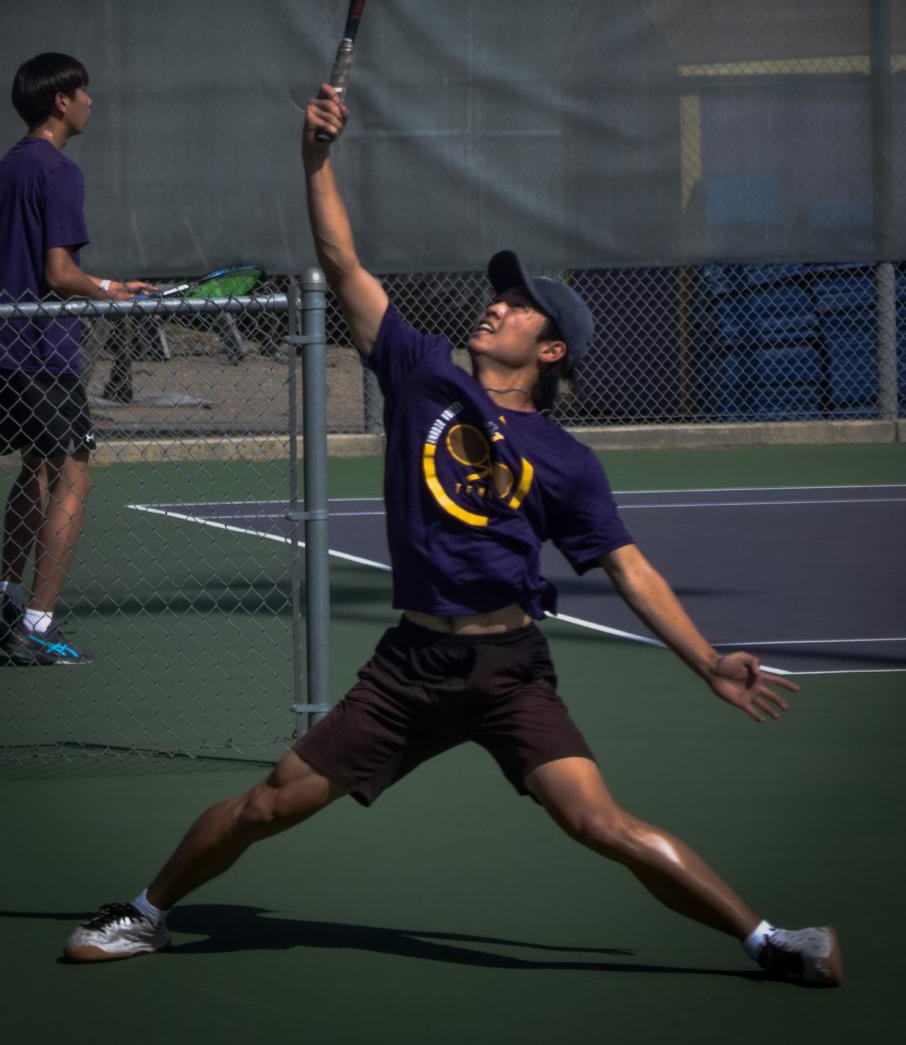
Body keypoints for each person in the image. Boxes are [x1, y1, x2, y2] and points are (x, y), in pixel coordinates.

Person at [62, 82, 841, 987]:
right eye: (499, 294)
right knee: (271, 802)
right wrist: (316, 154)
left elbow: (629, 570)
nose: (497, 304)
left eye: (519, 305)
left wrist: (707, 661)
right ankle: (146, 913)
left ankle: (771, 941)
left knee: (602, 824)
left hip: (510, 671)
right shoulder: (423, 370)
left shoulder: (566, 460)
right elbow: (341, 258)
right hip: (408, 669)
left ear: (551, 352)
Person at [0, 53, 154, 667]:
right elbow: (58, 273)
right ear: (61, 101)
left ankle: (5, 606)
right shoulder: (60, 172)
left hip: (7, 352)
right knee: (72, 471)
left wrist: (107, 283)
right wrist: (109, 292)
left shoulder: (9, 167)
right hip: (42, 354)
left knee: (33, 473)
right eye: (84, 92)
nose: (91, 101)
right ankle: (36, 625)